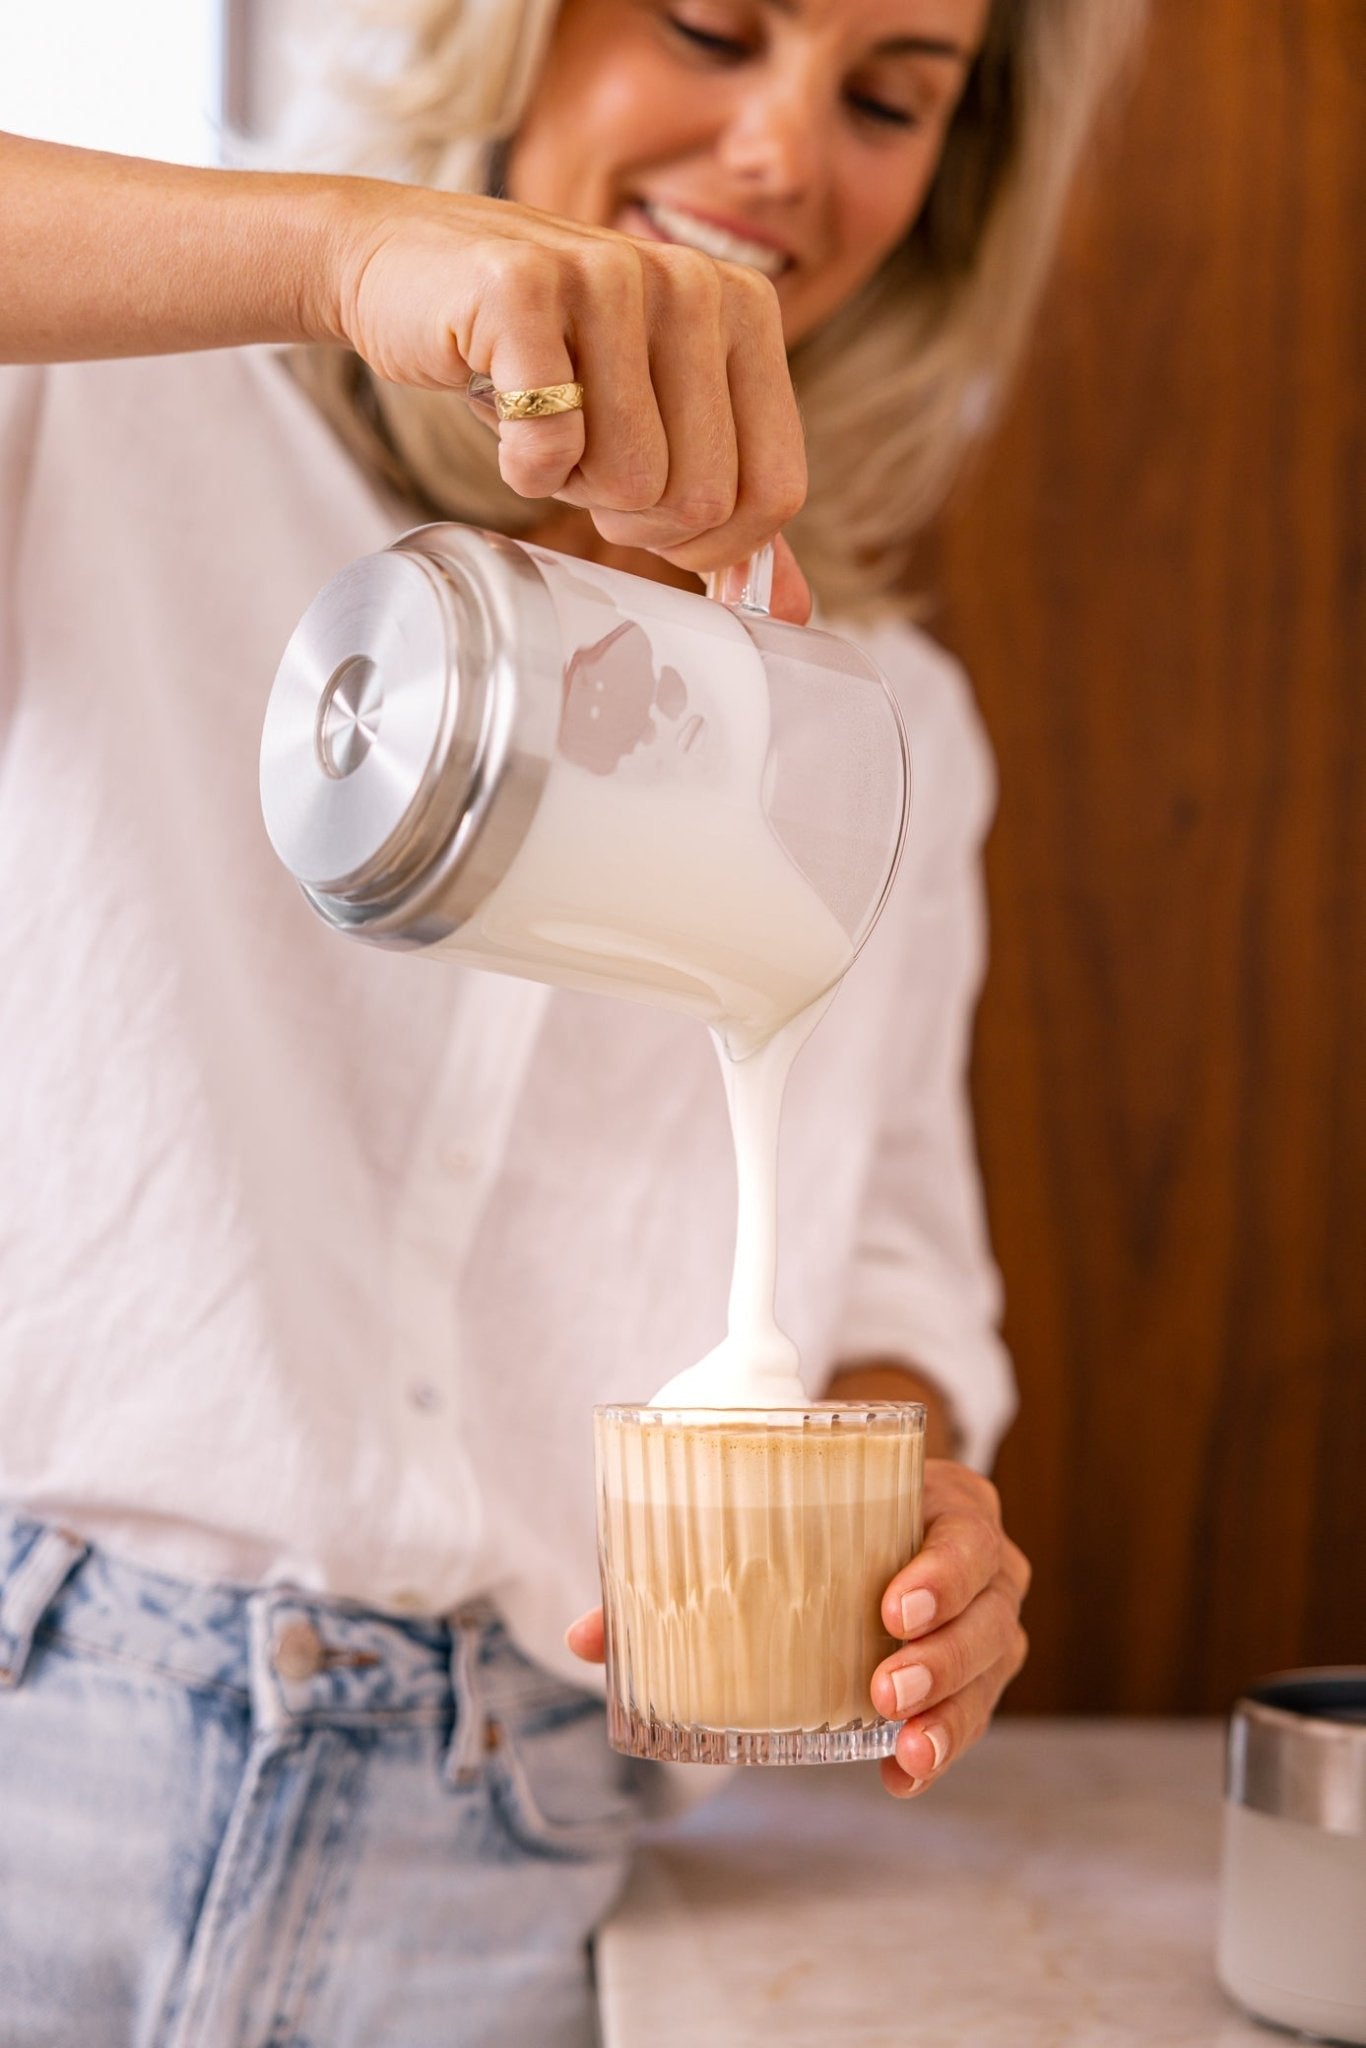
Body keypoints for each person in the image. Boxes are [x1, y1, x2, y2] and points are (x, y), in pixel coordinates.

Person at [0, 2, 1142, 2042]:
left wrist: (910, 1533)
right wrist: (342, 255)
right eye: (714, 23)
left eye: (888, 96)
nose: (786, 147)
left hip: (515, 1849)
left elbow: (888, 1286)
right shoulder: (130, 423)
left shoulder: (886, 729)